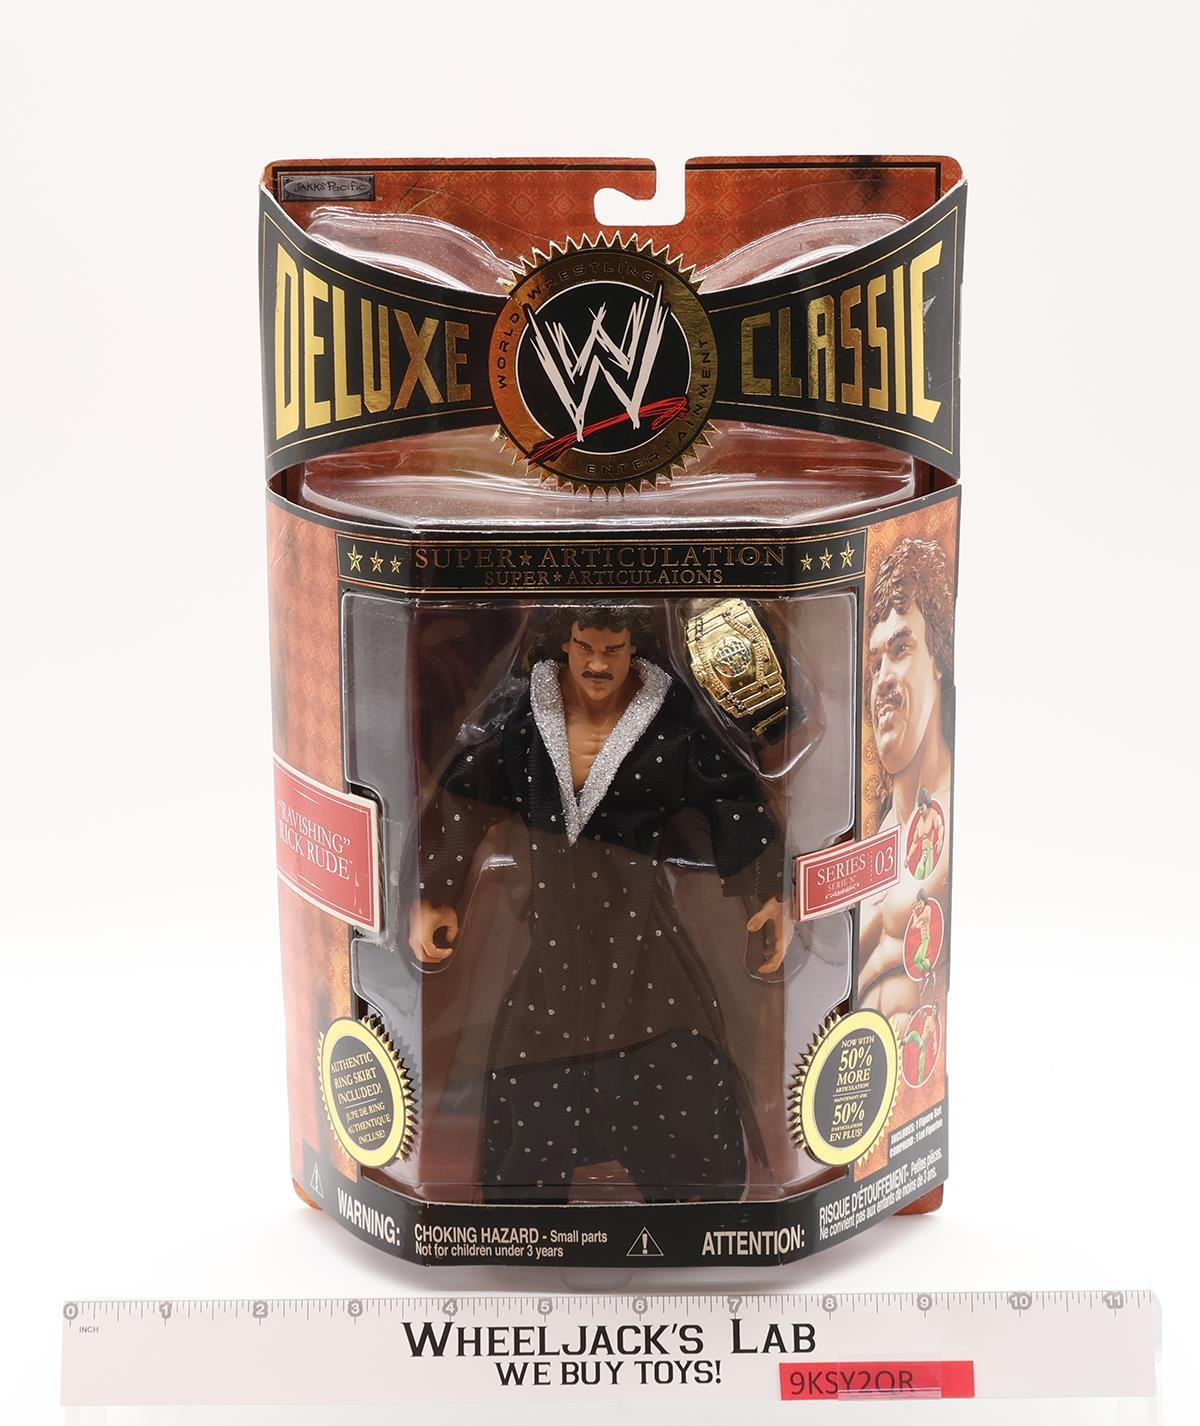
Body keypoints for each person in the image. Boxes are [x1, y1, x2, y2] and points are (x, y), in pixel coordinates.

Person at [409, 606, 787, 1204]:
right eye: (585, 646)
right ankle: (523, 1218)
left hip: (642, 933)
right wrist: (436, 893)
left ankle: (697, 1203)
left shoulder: (669, 722)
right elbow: (463, 793)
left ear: (635, 649)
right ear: (565, 644)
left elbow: (731, 795)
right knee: (530, 1075)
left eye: (613, 650)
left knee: (676, 1066)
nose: (598, 664)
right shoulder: (526, 716)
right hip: (554, 939)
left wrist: (766, 895)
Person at [857, 538, 954, 1030]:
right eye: (875, 663)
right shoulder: (874, 831)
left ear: (938, 654)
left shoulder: (958, 816)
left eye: (900, 650)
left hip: (913, 1063)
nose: (882, 680)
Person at [909, 891, 934, 974]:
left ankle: (931, 970)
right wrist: (914, 913)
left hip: (926, 938)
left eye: (920, 903)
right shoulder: (922, 916)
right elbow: (916, 926)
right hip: (923, 940)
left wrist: (915, 922)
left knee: (921, 958)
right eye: (918, 904)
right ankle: (924, 975)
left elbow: (925, 916)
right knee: (916, 959)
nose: (919, 906)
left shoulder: (927, 908)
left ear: (924, 900)